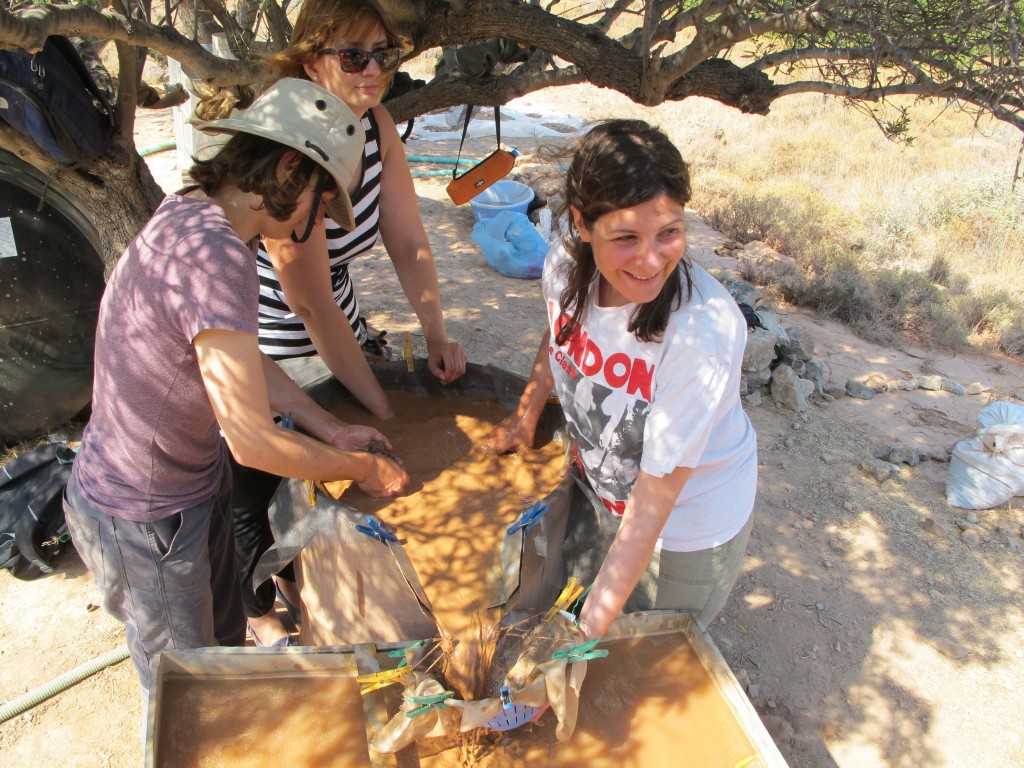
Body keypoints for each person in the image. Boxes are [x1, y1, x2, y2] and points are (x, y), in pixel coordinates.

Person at [62, 78, 410, 697]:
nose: (310, 224)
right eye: (318, 201)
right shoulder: (219, 257)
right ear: (287, 169)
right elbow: (251, 442)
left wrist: (327, 425)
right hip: (148, 518)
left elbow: (240, 364)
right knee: (190, 697)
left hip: (170, 494)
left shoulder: (188, 209)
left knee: (221, 657)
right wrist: (357, 466)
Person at [231, 0, 469, 647]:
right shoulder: (293, 153)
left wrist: (437, 330)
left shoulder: (375, 124)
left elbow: (408, 235)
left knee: (346, 450)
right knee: (264, 486)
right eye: (353, 55)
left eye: (383, 56)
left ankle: (334, 592)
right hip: (271, 337)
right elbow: (309, 306)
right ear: (313, 59)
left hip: (340, 320)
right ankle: (261, 613)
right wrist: (390, 420)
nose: (372, 71)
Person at [486, 119, 758, 641]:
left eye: (669, 233)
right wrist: (525, 415)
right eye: (626, 237)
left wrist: (577, 643)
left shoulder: (702, 333)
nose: (651, 260)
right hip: (602, 492)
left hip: (681, 532)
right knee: (589, 607)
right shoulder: (566, 263)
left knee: (641, 664)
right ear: (584, 225)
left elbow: (651, 511)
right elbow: (559, 331)